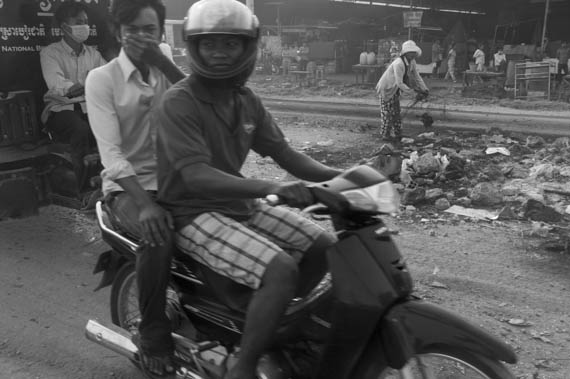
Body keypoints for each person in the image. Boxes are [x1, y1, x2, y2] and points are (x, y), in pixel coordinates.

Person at [154, 1, 341, 378]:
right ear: (193, 47)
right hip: (191, 211)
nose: (219, 54)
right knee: (281, 270)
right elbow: (195, 176)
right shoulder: (179, 101)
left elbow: (285, 153)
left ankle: (266, 322)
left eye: (230, 44)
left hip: (238, 204)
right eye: (209, 45)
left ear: (247, 47)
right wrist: (272, 185)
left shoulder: (246, 100)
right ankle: (245, 364)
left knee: (325, 247)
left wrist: (348, 176)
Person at [85, 0, 185, 377]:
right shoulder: (102, 79)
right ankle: (154, 335)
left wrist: (163, 64)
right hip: (128, 190)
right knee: (159, 235)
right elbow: (111, 155)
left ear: (161, 32)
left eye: (151, 29)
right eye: (133, 29)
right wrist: (146, 205)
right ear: (117, 32)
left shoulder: (164, 65)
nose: (142, 36)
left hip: (174, 181)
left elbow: (199, 99)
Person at [40, 1, 106, 194]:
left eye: (85, 21)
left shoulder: (93, 54)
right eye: (78, 21)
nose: (84, 26)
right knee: (81, 129)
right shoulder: (50, 53)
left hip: (89, 107)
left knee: (112, 122)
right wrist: (86, 86)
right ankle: (83, 190)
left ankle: (109, 184)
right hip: (61, 110)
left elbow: (108, 76)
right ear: (64, 27)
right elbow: (57, 85)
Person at [375, 40, 429, 144]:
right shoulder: (399, 63)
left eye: (414, 52)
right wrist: (414, 93)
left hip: (395, 89)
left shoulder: (412, 62)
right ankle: (385, 135)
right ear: (405, 53)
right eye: (411, 52)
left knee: (396, 112)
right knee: (388, 113)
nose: (413, 54)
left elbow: (417, 77)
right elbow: (400, 83)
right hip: (387, 88)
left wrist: (424, 89)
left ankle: (398, 133)